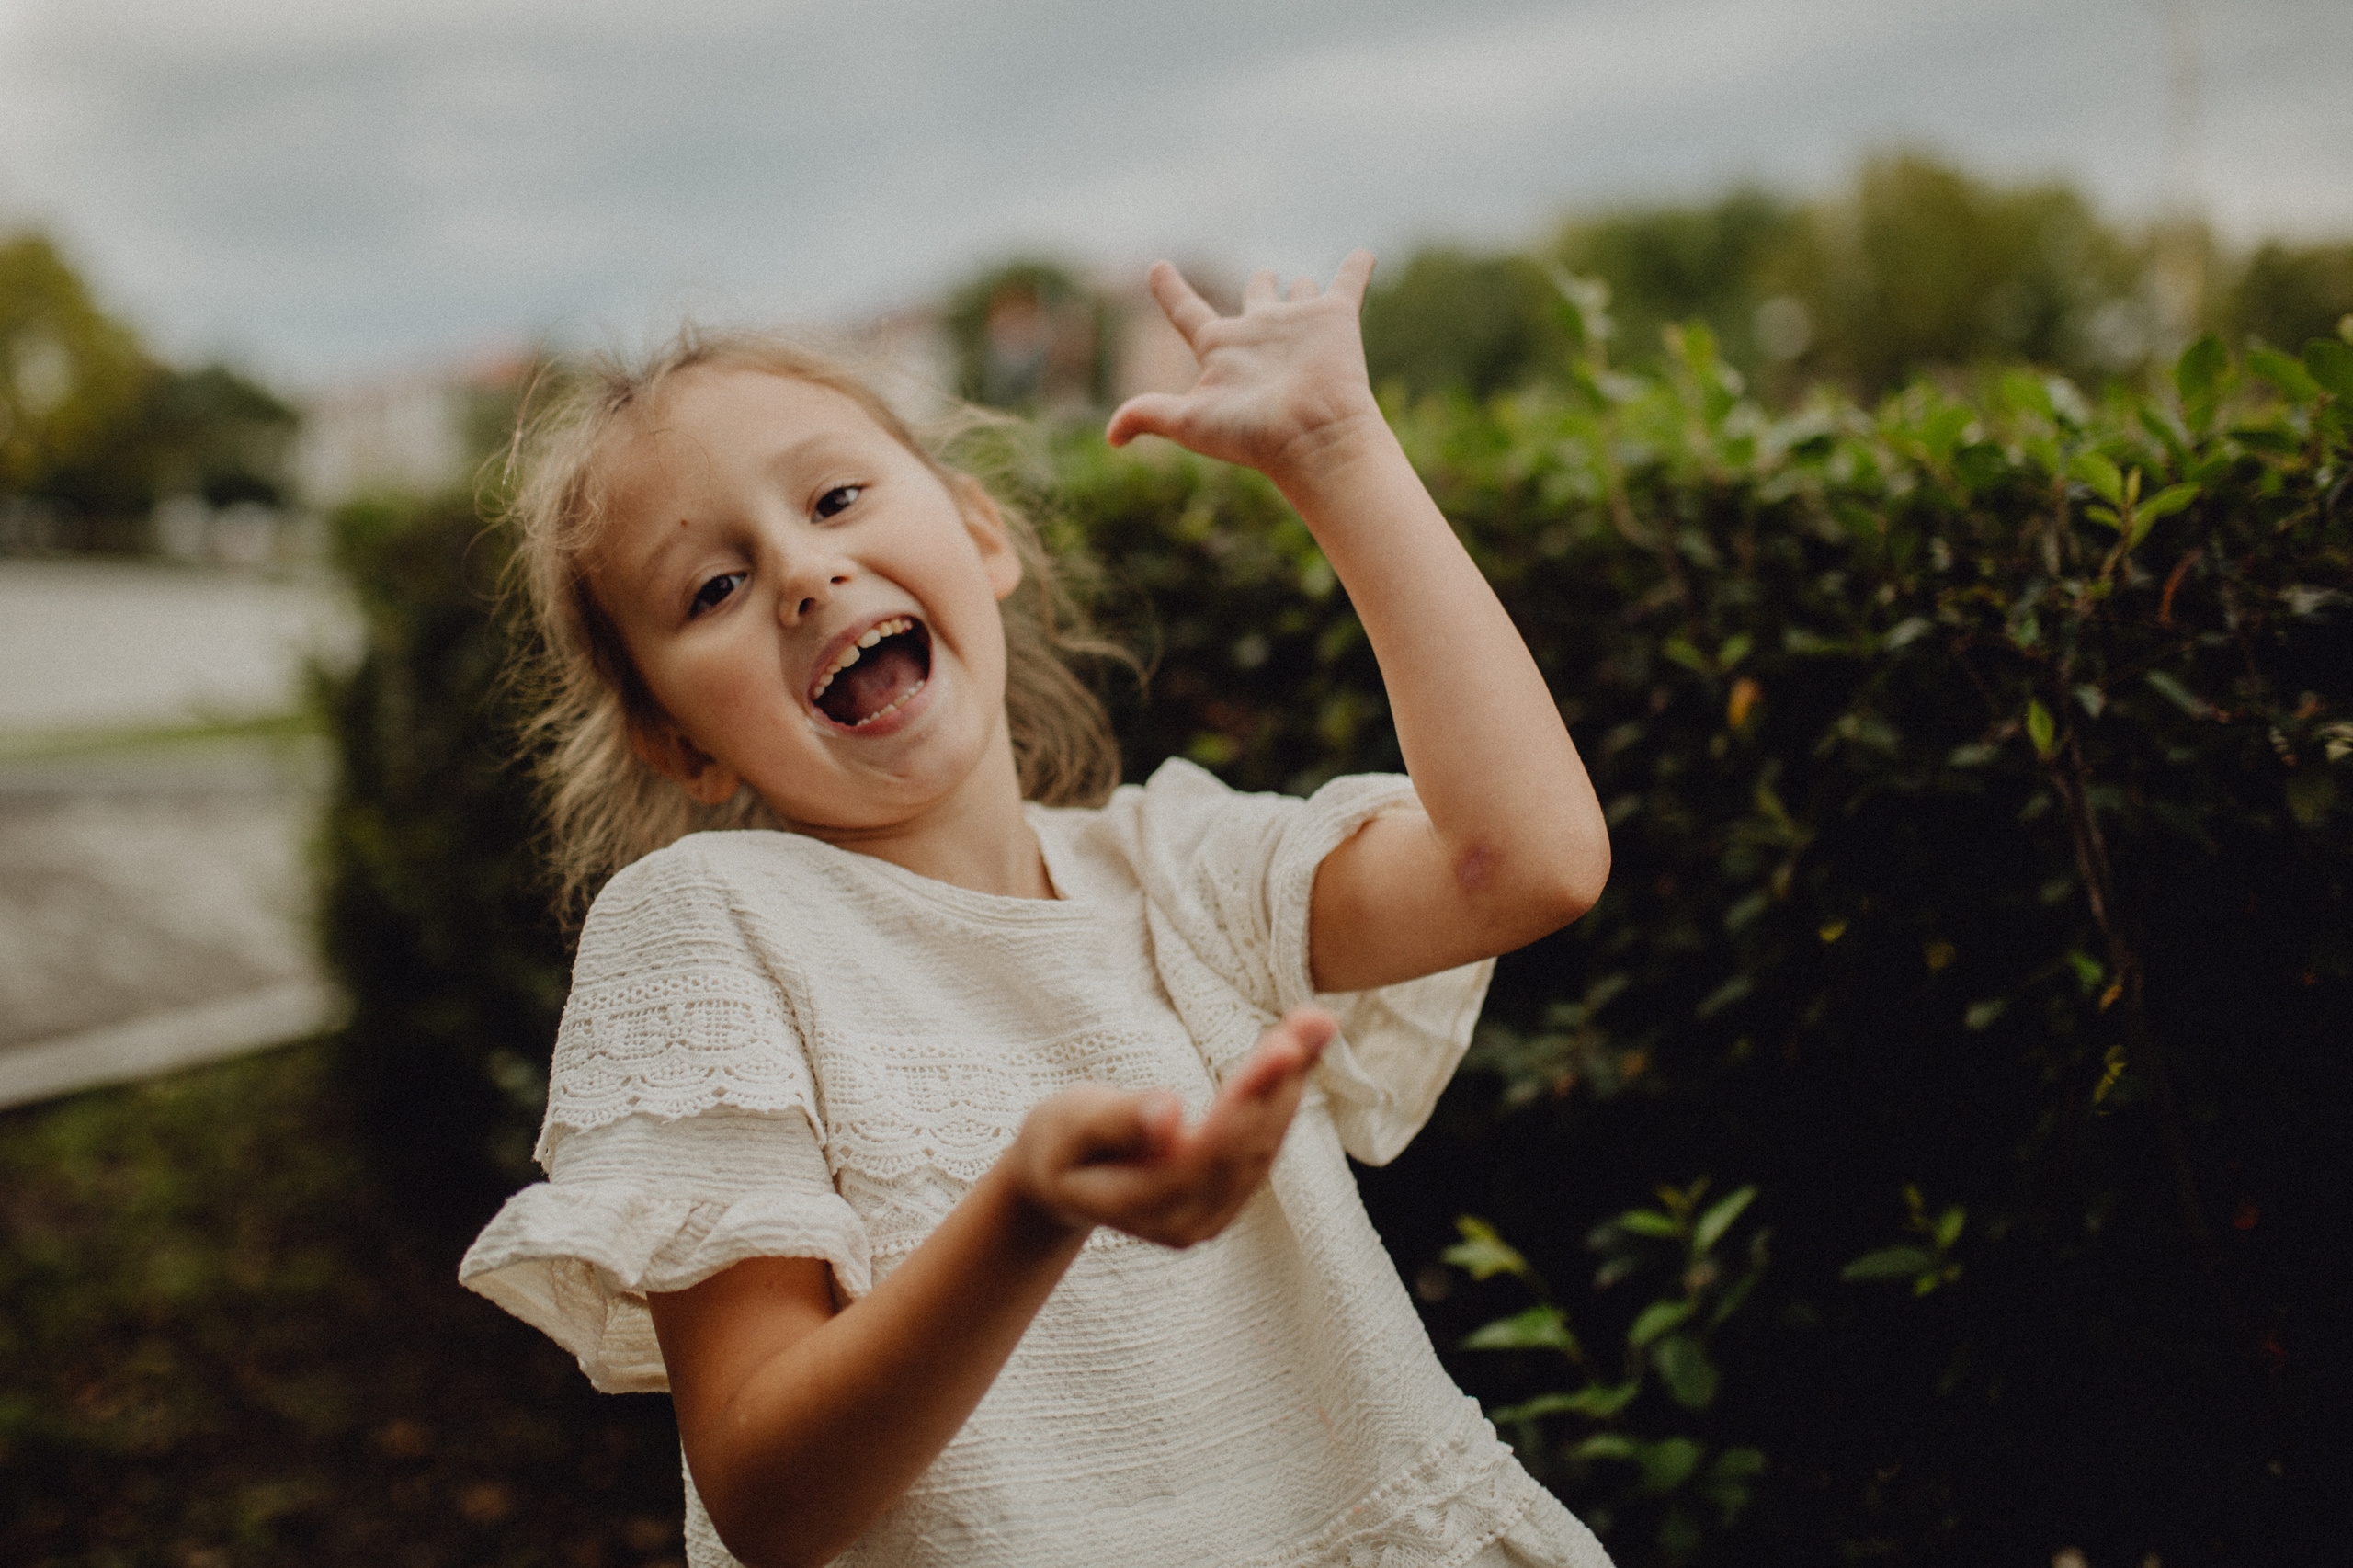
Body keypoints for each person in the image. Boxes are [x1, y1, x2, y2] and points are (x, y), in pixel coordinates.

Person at [460, 252, 1615, 1568]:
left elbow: (1527, 862)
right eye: (711, 588)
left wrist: (1339, 452)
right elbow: (769, 1498)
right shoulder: (711, 930)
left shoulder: (1182, 872)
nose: (802, 572)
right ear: (678, 742)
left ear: (981, 533)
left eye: (837, 496)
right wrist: (1030, 1208)